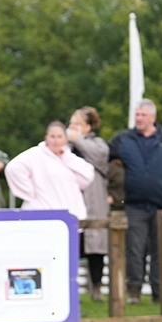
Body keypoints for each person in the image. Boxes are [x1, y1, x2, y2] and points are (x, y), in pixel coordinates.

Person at [108, 99, 162, 303]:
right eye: (137, 115)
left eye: (143, 115)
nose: (139, 118)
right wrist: (112, 190)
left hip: (161, 206)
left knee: (161, 251)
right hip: (133, 205)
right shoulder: (122, 139)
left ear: (153, 117)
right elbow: (104, 161)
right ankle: (134, 292)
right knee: (134, 250)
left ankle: (159, 293)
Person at [5, 121, 95, 233]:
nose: (56, 140)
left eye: (59, 136)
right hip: (42, 216)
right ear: (46, 138)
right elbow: (13, 168)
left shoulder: (70, 158)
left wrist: (66, 158)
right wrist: (29, 192)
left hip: (68, 218)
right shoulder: (35, 154)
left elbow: (88, 175)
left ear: (66, 139)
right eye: (52, 136)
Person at [67, 106, 110, 301]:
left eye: (77, 124)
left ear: (88, 127)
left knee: (95, 249)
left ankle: (96, 289)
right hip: (71, 202)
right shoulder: (66, 146)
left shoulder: (98, 144)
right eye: (71, 123)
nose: (72, 127)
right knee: (71, 246)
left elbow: (98, 156)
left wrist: (78, 140)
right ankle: (70, 288)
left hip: (94, 202)